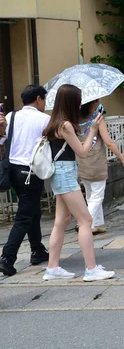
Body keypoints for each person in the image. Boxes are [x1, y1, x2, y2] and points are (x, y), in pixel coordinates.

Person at [42, 84, 115, 281]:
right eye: (78, 99)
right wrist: (92, 129)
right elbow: (82, 152)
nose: (80, 103)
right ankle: (91, 269)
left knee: (61, 221)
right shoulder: (65, 125)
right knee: (86, 221)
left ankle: (52, 267)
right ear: (71, 102)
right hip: (66, 176)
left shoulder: (54, 123)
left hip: (60, 175)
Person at [0, 86, 51, 276]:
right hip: (31, 172)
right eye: (44, 100)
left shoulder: (11, 116)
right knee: (24, 216)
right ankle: (7, 257)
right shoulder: (44, 119)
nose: (45, 104)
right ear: (38, 99)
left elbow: (2, 141)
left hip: (12, 170)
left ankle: (37, 250)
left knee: (32, 210)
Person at [77, 100, 124, 235]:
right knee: (97, 196)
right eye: (97, 101)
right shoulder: (97, 119)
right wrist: (122, 158)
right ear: (93, 104)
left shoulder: (76, 118)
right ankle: (84, 223)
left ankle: (98, 224)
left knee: (90, 195)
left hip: (82, 161)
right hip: (96, 162)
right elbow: (109, 142)